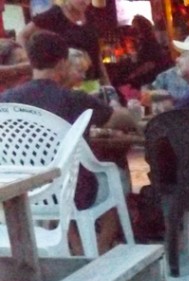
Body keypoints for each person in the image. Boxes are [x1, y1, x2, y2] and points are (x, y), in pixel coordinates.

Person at [0, 30, 138, 248]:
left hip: (25, 192)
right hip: (74, 192)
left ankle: (78, 248)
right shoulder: (74, 99)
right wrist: (117, 106)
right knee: (115, 177)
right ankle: (100, 252)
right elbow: (123, 120)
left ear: (32, 62)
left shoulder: (5, 102)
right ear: (63, 63)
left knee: (67, 179)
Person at [18, 0, 107, 85]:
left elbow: (96, 54)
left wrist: (107, 82)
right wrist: (32, 62)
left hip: (93, 81)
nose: (86, 2)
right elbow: (22, 36)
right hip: (67, 83)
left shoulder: (90, 16)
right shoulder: (55, 14)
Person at [123, 15, 171, 89]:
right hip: (149, 79)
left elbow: (149, 65)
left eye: (135, 28)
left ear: (141, 29)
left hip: (151, 81)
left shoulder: (149, 43)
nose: (132, 30)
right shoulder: (144, 42)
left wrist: (133, 76)